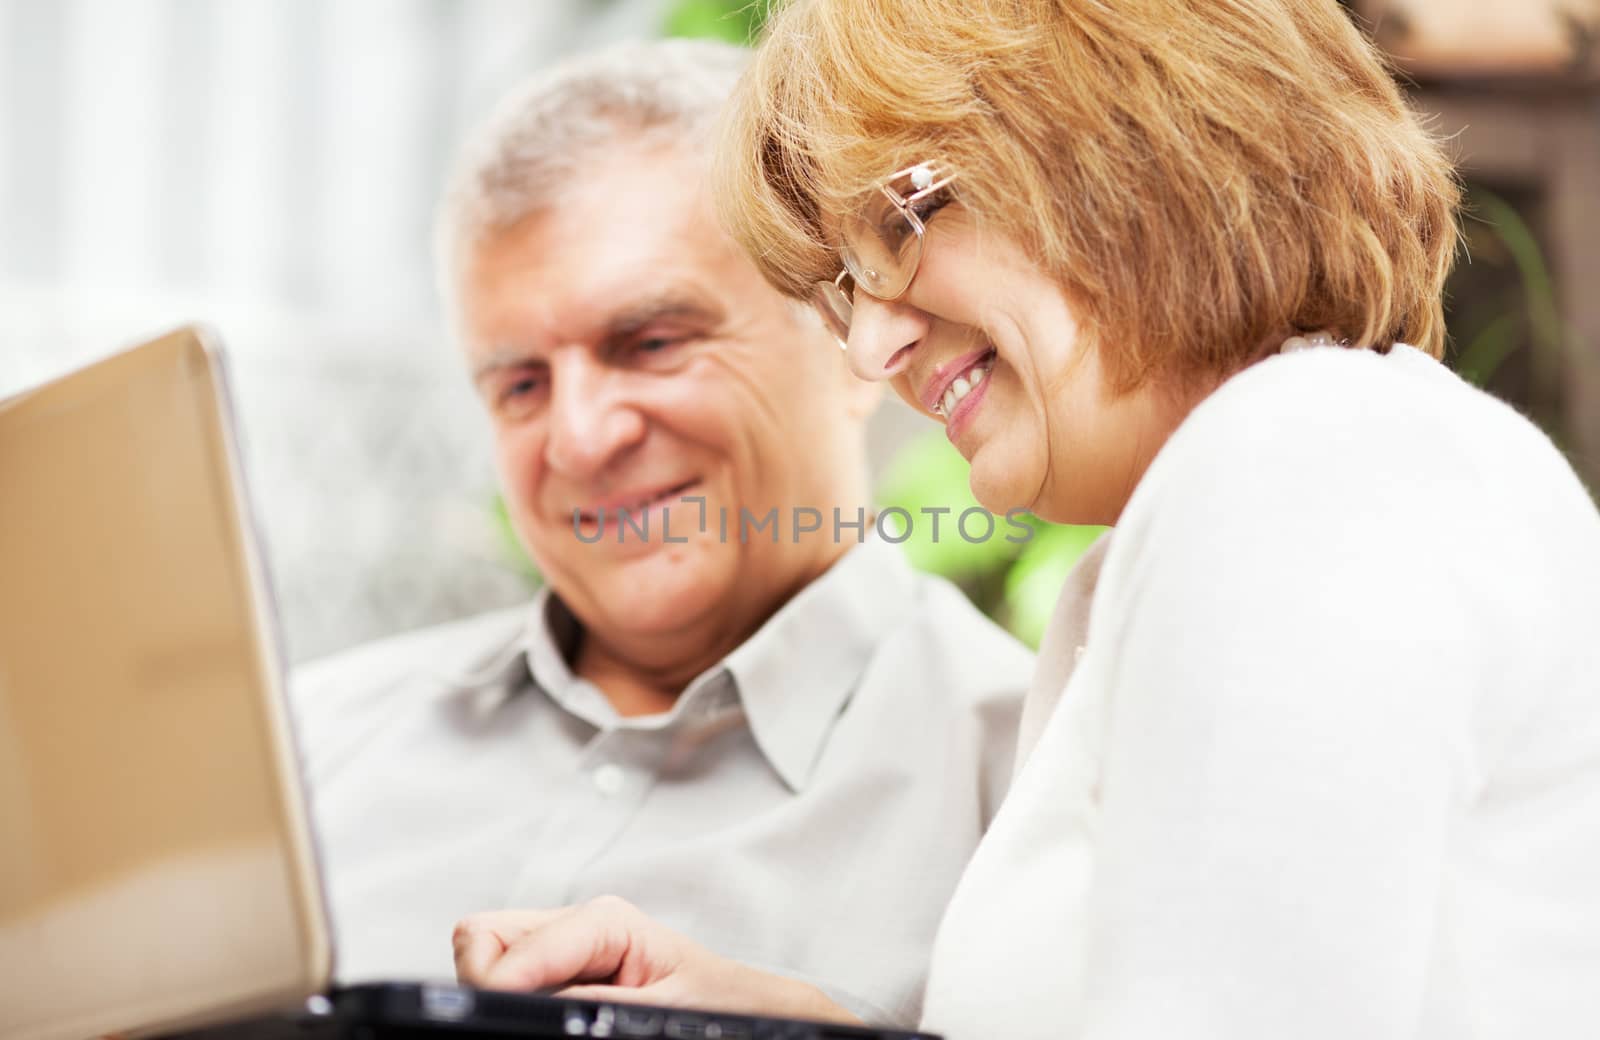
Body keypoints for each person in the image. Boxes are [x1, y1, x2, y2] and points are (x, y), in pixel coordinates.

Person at [451, 2, 1600, 1037]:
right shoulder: (1231, 500)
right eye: (843, 291)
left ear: (1120, 147)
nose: (869, 346)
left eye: (894, 232)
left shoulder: (1297, 465)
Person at [291, 36, 1032, 1027]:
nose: (582, 437)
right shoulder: (299, 755)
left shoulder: (1034, 778)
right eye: (519, 383)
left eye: (651, 343)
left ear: (848, 339)